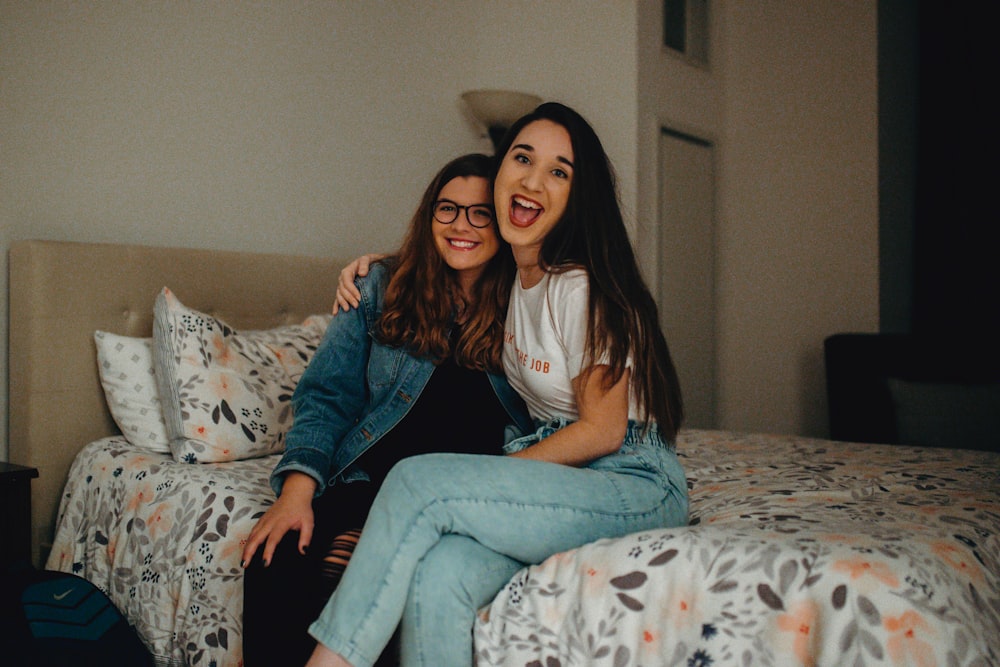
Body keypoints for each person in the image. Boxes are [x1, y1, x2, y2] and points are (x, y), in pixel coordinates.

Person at [303, 102, 689, 667]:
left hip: (630, 481)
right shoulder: (515, 280)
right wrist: (374, 270)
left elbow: (604, 431)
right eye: (523, 158)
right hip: (570, 483)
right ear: (499, 173)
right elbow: (449, 252)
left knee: (417, 483)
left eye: (559, 171)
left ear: (578, 198)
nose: (534, 179)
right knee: (440, 574)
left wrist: (484, 480)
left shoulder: (579, 285)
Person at [239, 153, 533, 666]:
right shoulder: (380, 285)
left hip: (460, 497)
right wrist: (296, 492)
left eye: (480, 212)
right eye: (448, 209)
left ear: (505, 223)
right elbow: (327, 395)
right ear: (429, 216)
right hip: (368, 481)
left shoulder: (530, 302)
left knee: (381, 576)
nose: (461, 225)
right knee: (274, 555)